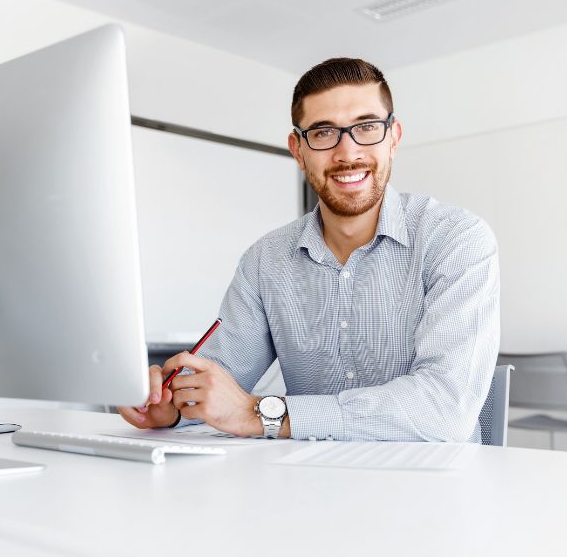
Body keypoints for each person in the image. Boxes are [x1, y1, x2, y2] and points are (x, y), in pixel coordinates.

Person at [117, 58, 500, 441]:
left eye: (366, 127)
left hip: (434, 490)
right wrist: (171, 406)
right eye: (322, 133)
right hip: (308, 483)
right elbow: (221, 383)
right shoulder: (264, 261)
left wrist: (261, 415)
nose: (347, 153)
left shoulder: (456, 240)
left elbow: (444, 409)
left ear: (393, 138)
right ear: (298, 150)